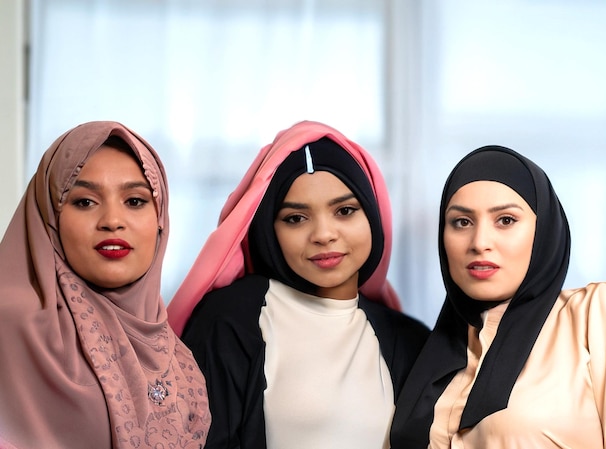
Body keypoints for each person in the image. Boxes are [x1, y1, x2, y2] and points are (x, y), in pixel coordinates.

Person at [167, 120, 430, 449]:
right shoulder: (231, 321)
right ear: (268, 230)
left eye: (345, 211)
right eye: (296, 218)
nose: (323, 234)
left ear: (373, 217)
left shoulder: (410, 341)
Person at [390, 145, 606, 448]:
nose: (480, 242)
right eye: (462, 222)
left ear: (543, 231)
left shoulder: (598, 315)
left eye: (505, 220)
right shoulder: (433, 359)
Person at [0, 121, 210, 449]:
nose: (112, 220)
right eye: (84, 202)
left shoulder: (176, 355)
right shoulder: (12, 325)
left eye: (135, 201)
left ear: (160, 219)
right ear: (50, 218)